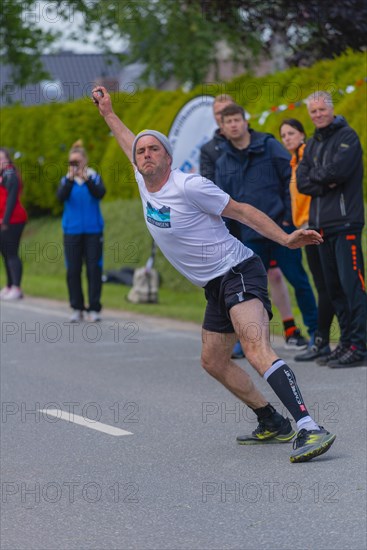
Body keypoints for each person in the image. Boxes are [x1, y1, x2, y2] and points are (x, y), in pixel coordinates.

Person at [92, 85, 336, 463]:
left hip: (238, 270)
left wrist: (286, 239)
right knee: (213, 361)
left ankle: (309, 426)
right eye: (141, 151)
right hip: (214, 285)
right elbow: (128, 140)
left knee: (256, 348)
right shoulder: (144, 181)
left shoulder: (189, 185)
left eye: (153, 148)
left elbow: (241, 210)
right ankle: (271, 420)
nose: (144, 154)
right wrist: (108, 112)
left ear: (168, 158)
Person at [200, 97, 308, 359]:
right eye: (223, 118)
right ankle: (246, 339)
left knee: (290, 277)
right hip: (240, 232)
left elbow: (287, 179)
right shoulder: (215, 153)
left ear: (244, 120)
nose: (230, 123)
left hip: (275, 225)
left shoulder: (266, 144)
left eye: (235, 118)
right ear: (220, 124)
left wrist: (287, 218)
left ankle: (306, 331)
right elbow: (213, 193)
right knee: (245, 287)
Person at [297, 91, 366, 368]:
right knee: (334, 289)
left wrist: (322, 177)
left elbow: (339, 172)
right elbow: (302, 181)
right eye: (313, 112)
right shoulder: (312, 144)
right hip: (321, 228)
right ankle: (346, 342)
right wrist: (324, 179)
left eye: (321, 110)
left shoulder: (347, 137)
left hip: (346, 223)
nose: (318, 115)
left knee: (353, 286)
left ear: (331, 109)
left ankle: (360, 346)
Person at [279, 119, 335, 361]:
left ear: (302, 134)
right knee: (320, 283)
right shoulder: (294, 161)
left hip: (315, 223)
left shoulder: (307, 155)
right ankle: (320, 340)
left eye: (291, 133)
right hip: (302, 226)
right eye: (283, 135)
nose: (287, 138)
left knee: (325, 284)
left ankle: (324, 339)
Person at [57, 140, 106, 322]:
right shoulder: (66, 180)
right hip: (72, 231)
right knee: (73, 270)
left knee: (94, 269)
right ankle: (77, 307)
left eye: (78, 161)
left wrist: (85, 178)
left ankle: (94, 308)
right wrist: (71, 178)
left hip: (93, 231)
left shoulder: (94, 177)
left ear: (85, 160)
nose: (75, 165)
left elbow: (100, 193)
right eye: (72, 162)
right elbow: (60, 197)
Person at [0, 148, 28, 300]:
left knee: (11, 252)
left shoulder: (10, 175)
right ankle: (10, 285)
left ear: (8, 160)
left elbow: (11, 200)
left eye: (2, 159)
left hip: (14, 219)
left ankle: (16, 287)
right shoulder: (2, 175)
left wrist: (5, 220)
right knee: (5, 253)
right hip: (3, 220)